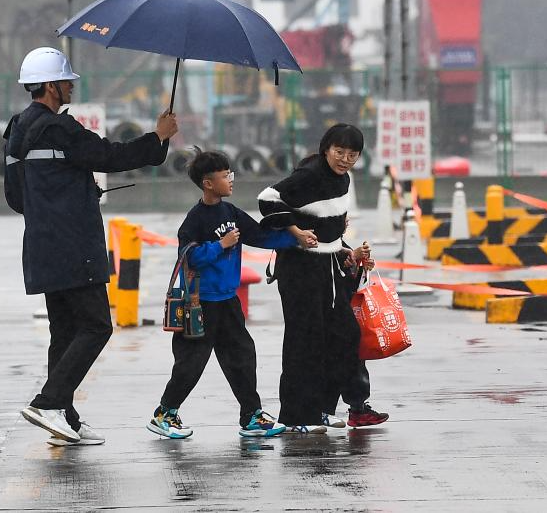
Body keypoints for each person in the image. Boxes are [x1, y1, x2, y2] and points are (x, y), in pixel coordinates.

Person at [5, 47, 179, 446]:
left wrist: (61, 191)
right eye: (67, 81)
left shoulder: (16, 128)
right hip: (74, 244)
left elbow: (17, 198)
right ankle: (48, 403)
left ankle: (63, 417)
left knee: (63, 332)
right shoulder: (60, 128)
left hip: (42, 245)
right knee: (97, 325)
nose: (70, 87)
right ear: (50, 86)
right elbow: (110, 156)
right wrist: (159, 137)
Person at [147, 149, 316, 439]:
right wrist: (221, 245)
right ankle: (165, 414)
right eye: (225, 176)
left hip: (228, 301)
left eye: (230, 174)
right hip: (201, 304)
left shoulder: (231, 212)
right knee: (191, 363)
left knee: (242, 356)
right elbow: (188, 257)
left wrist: (295, 237)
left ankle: (251, 416)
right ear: (208, 183)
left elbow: (259, 235)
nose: (231, 180)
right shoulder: (195, 220)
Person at [258, 123, 373, 433]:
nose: (345, 159)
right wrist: (295, 231)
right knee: (304, 341)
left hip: (330, 267)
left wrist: (351, 253)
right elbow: (267, 199)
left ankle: (323, 408)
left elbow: (332, 228)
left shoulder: (343, 180)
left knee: (343, 336)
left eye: (352, 154)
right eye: (339, 152)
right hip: (299, 268)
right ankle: (296, 416)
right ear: (326, 149)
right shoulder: (309, 175)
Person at [334, 240, 391, 428]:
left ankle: (357, 408)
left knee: (353, 355)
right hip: (335, 307)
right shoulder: (323, 237)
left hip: (344, 304)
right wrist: (351, 256)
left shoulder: (337, 240)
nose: (346, 221)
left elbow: (348, 279)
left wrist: (361, 267)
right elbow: (330, 270)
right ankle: (350, 408)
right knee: (348, 356)